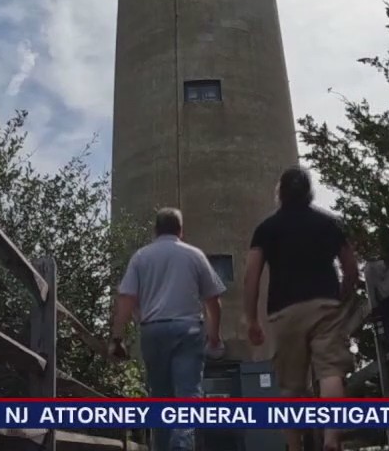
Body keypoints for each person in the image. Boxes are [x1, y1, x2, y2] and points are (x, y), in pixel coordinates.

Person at [244, 166, 359, 451]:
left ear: (279, 193)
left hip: (285, 311)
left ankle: (295, 447)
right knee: (330, 372)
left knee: (291, 386)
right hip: (325, 305)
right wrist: (343, 296)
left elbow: (251, 275)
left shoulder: (266, 228)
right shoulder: (328, 223)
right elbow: (351, 267)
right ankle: (332, 438)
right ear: (309, 192)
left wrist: (251, 319)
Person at [110, 207, 225, 451]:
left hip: (153, 332)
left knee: (160, 399)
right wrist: (214, 337)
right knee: (187, 397)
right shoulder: (194, 255)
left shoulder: (141, 257)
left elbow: (126, 297)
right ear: (181, 231)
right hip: (188, 331)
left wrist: (117, 337)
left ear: (155, 230)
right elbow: (213, 301)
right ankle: (181, 446)